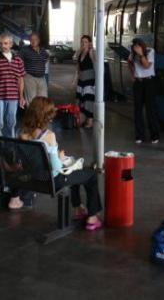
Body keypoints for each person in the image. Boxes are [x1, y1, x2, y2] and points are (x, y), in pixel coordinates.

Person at [19, 97, 103, 230]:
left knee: (75, 171)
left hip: (33, 177)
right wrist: (59, 157)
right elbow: (57, 168)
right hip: (52, 180)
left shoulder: (22, 134)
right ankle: (92, 217)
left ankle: (78, 209)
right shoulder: (49, 136)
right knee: (91, 175)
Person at [128, 38, 161, 144]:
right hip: (138, 82)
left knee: (150, 109)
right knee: (137, 110)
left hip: (149, 82)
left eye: (138, 46)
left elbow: (146, 66)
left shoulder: (150, 51)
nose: (136, 48)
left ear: (142, 46)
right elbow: (129, 62)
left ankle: (154, 135)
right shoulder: (132, 54)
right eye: (134, 47)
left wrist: (141, 55)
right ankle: (139, 135)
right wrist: (132, 74)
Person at [20, 32, 49, 104]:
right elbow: (18, 60)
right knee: (31, 101)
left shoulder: (43, 51)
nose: (33, 41)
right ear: (29, 41)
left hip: (42, 78)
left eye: (35, 39)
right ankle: (31, 115)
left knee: (43, 100)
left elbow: (47, 57)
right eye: (31, 39)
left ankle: (41, 115)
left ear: (38, 40)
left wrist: (39, 65)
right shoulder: (25, 50)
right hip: (29, 78)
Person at [74, 35, 96, 128]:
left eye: (86, 42)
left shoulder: (92, 52)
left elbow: (96, 65)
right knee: (80, 100)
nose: (83, 43)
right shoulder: (80, 53)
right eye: (82, 41)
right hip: (81, 80)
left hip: (90, 80)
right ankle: (83, 119)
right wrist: (75, 79)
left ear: (89, 43)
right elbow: (78, 68)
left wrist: (97, 81)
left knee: (88, 100)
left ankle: (90, 121)